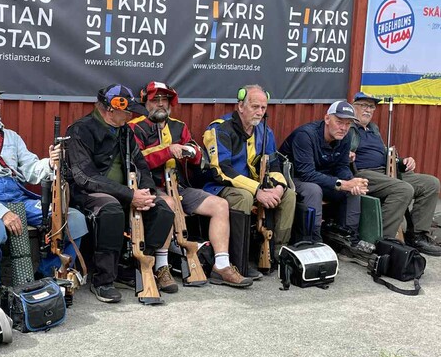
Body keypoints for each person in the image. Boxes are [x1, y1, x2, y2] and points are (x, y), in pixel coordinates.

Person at [0, 83, 88, 304]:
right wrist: (3, 213)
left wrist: (49, 163)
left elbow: (31, 171)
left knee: (73, 219)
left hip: (17, 195)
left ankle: (48, 275)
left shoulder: (11, 137)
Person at [129, 81, 252, 289]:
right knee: (168, 205)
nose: (161, 103)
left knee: (220, 205)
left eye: (165, 99)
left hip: (179, 187)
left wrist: (192, 152)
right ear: (146, 102)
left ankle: (221, 266)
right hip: (150, 188)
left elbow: (197, 155)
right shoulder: (135, 127)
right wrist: (168, 151)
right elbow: (138, 160)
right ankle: (162, 267)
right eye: (155, 99)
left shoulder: (179, 126)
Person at [65, 83, 175, 303]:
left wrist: (146, 193)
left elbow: (141, 165)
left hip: (127, 193)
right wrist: (129, 195)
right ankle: (103, 280)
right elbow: (85, 177)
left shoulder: (125, 131)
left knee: (162, 209)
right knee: (112, 210)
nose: (131, 115)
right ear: (110, 109)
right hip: (87, 193)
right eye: (127, 111)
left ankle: (134, 266)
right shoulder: (80, 130)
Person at [202, 85, 296, 267]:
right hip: (220, 186)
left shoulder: (265, 131)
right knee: (244, 196)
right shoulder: (219, 129)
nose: (260, 112)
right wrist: (257, 190)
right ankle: (239, 261)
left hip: (256, 187)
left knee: (289, 195)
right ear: (240, 106)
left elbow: (274, 164)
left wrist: (279, 187)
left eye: (263, 108)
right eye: (255, 107)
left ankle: (277, 253)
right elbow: (222, 170)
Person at [349, 92, 441, 256]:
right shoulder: (348, 128)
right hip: (364, 173)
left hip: (386, 171)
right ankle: (382, 241)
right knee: (403, 189)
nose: (368, 110)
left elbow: (386, 155)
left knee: (431, 183)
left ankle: (417, 236)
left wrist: (403, 162)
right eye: (364, 105)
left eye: (371, 107)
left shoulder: (373, 129)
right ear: (353, 106)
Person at [279, 100, 372, 253]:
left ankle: (349, 240)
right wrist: (342, 183)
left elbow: (342, 166)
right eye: (339, 122)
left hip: (322, 177)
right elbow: (306, 173)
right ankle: (313, 241)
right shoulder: (305, 135)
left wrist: (351, 181)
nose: (344, 128)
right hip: (294, 178)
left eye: (348, 124)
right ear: (327, 119)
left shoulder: (345, 136)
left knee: (352, 190)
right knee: (313, 190)